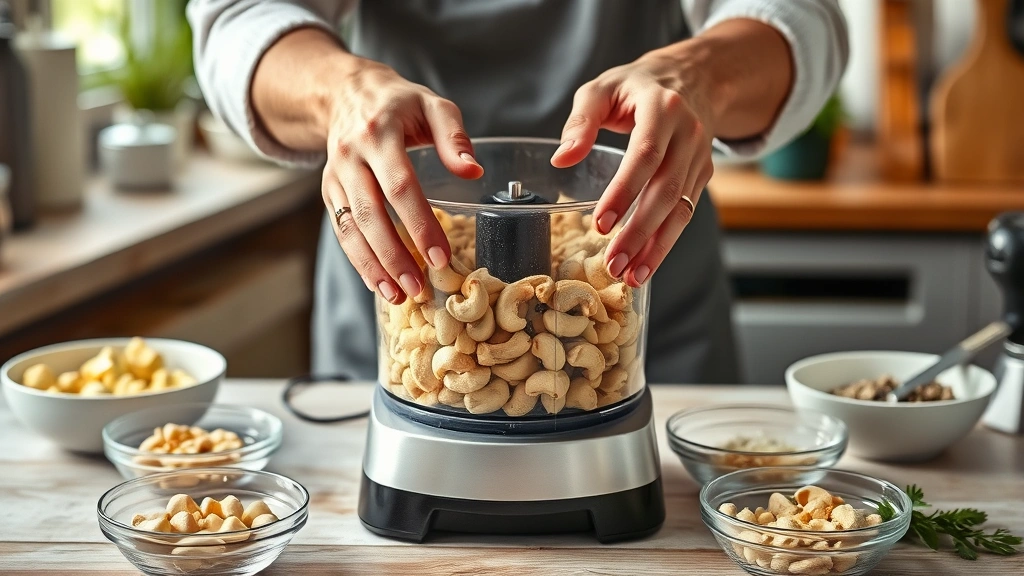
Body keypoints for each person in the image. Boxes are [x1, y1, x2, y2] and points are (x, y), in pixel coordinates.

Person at [188, 1, 848, 385]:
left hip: (637, 296)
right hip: (410, 301)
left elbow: (804, 18)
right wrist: (339, 93)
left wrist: (702, 75)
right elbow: (239, 19)